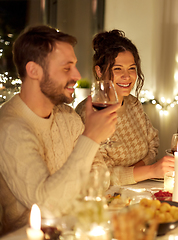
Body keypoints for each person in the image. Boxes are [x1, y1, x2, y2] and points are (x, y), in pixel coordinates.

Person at [0, 25, 120, 236]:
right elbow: (48, 206)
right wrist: (91, 138)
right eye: (67, 68)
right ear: (33, 70)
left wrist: (69, 194)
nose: (77, 74)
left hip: (75, 230)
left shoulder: (67, 116)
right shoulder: (9, 129)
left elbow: (100, 172)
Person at [76, 29, 175, 186]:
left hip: (143, 189)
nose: (127, 76)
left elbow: (153, 144)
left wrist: (131, 173)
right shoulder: (88, 114)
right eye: (117, 69)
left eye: (131, 68)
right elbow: (99, 175)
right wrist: (149, 170)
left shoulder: (133, 104)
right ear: (99, 71)